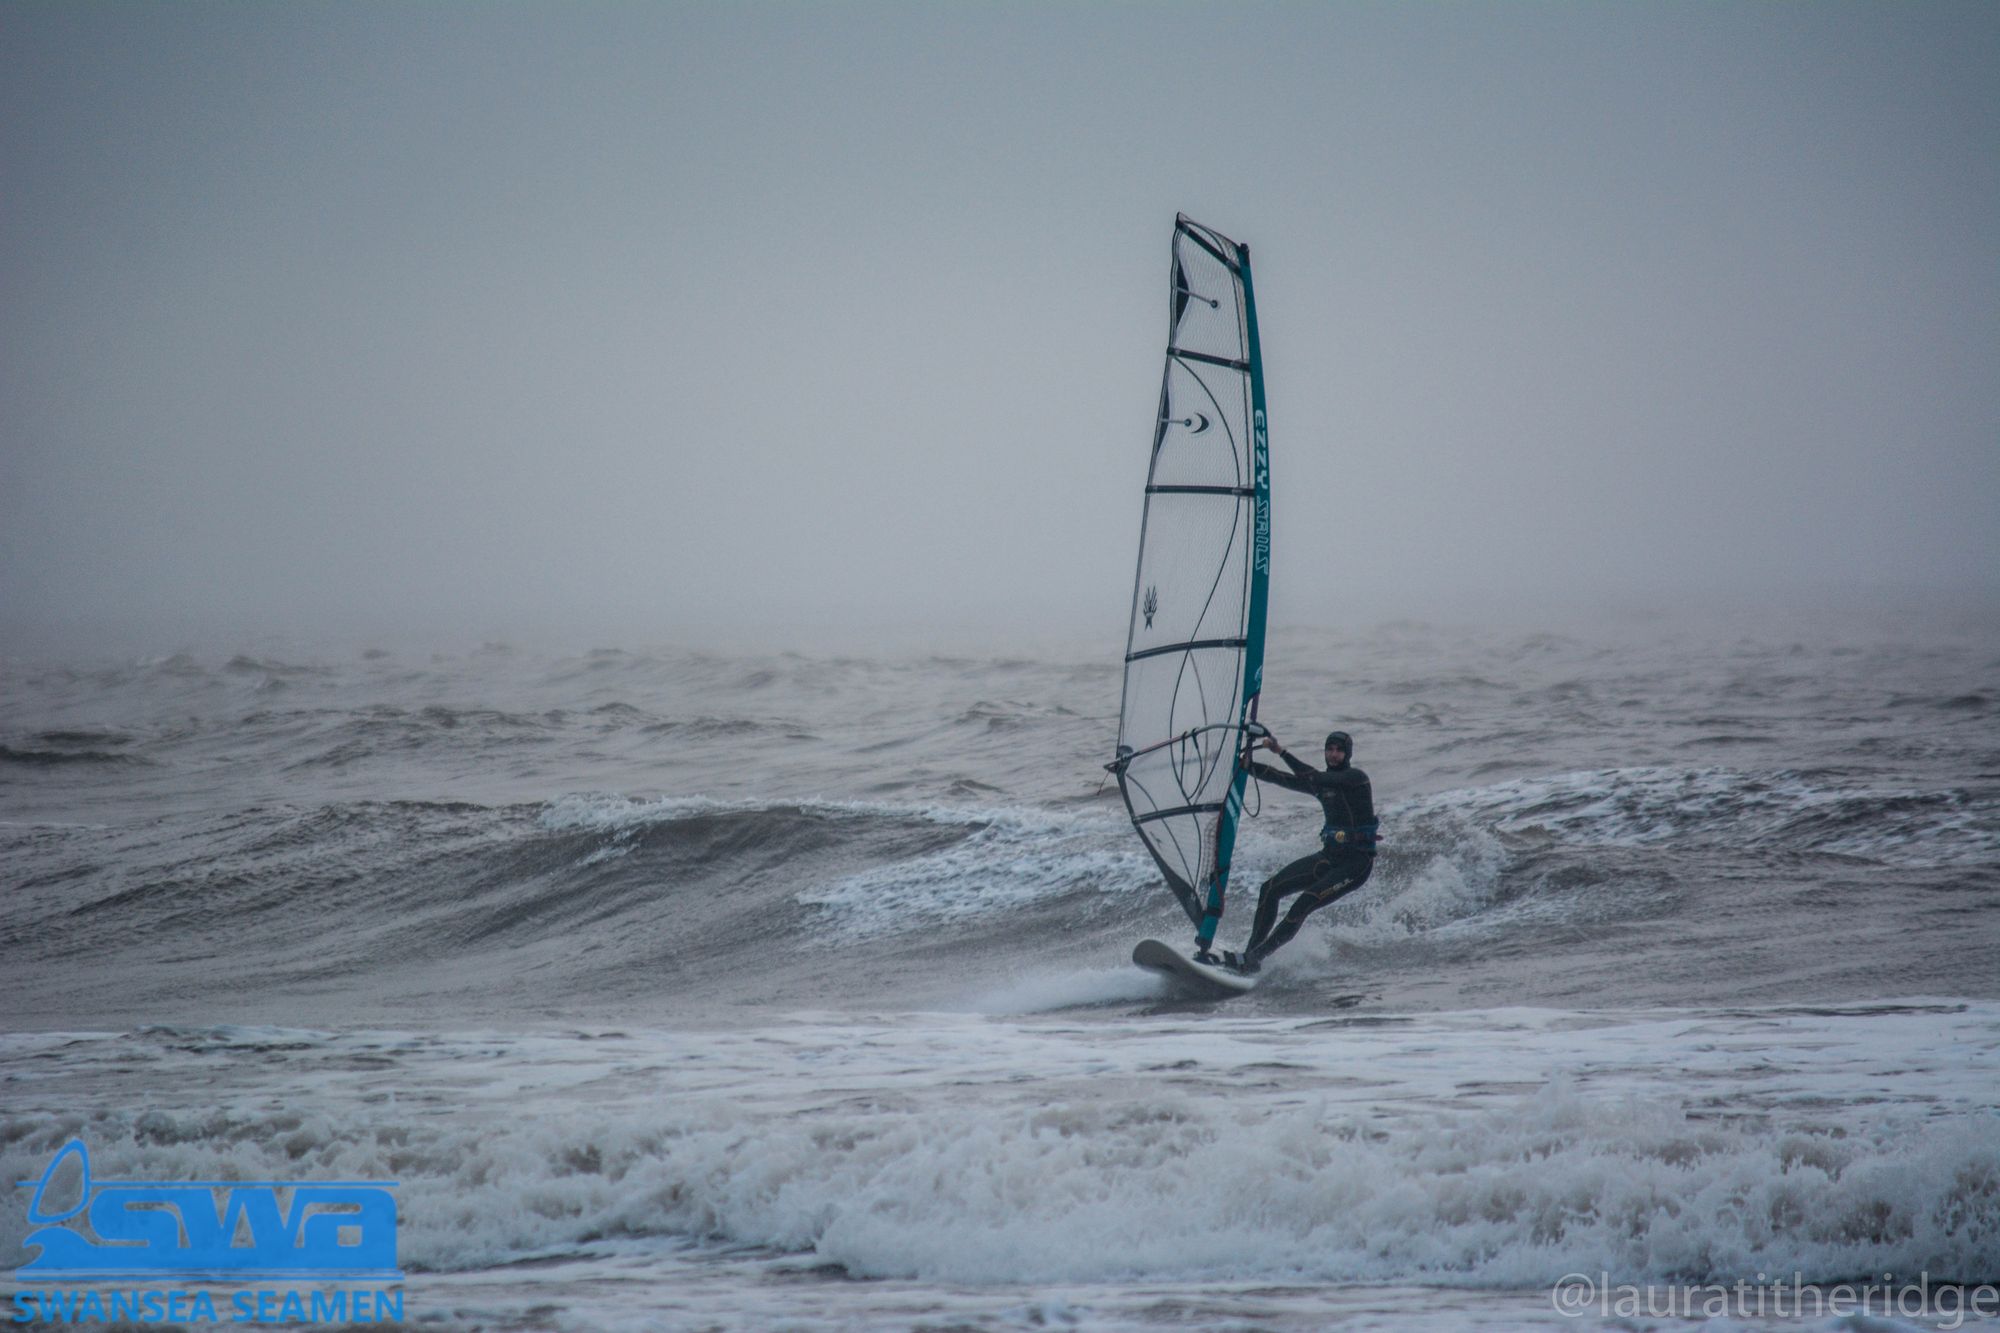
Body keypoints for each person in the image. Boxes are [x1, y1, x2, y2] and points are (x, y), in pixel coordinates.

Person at [1217, 729, 1378, 973]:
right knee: (1269, 889)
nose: (1333, 755)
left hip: (1355, 864)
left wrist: (1280, 751)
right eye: (1330, 749)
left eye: (1339, 750)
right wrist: (1246, 766)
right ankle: (1249, 955)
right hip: (1330, 858)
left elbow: (1310, 776)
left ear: (1348, 754)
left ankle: (1255, 958)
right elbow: (1282, 778)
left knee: (1302, 904)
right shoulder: (1321, 783)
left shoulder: (1356, 778)